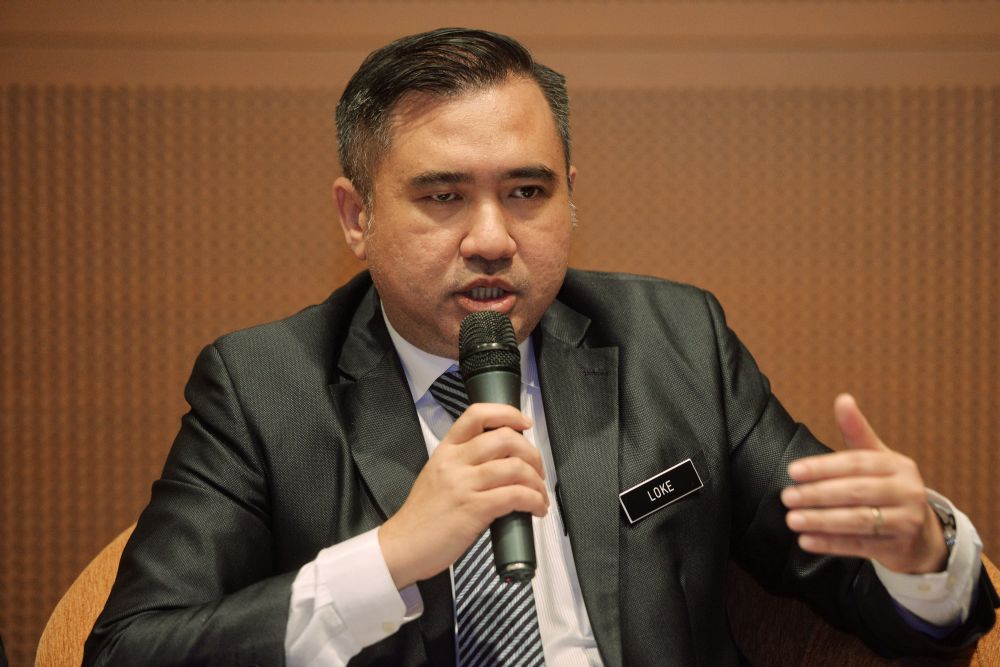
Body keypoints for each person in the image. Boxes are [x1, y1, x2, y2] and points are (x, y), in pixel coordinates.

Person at [84, 27, 996, 666]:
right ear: (356, 216)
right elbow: (132, 647)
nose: (491, 236)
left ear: (571, 197)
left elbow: (873, 592)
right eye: (443, 196)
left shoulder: (674, 341)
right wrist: (391, 556)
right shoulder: (264, 387)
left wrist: (923, 551)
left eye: (527, 192)